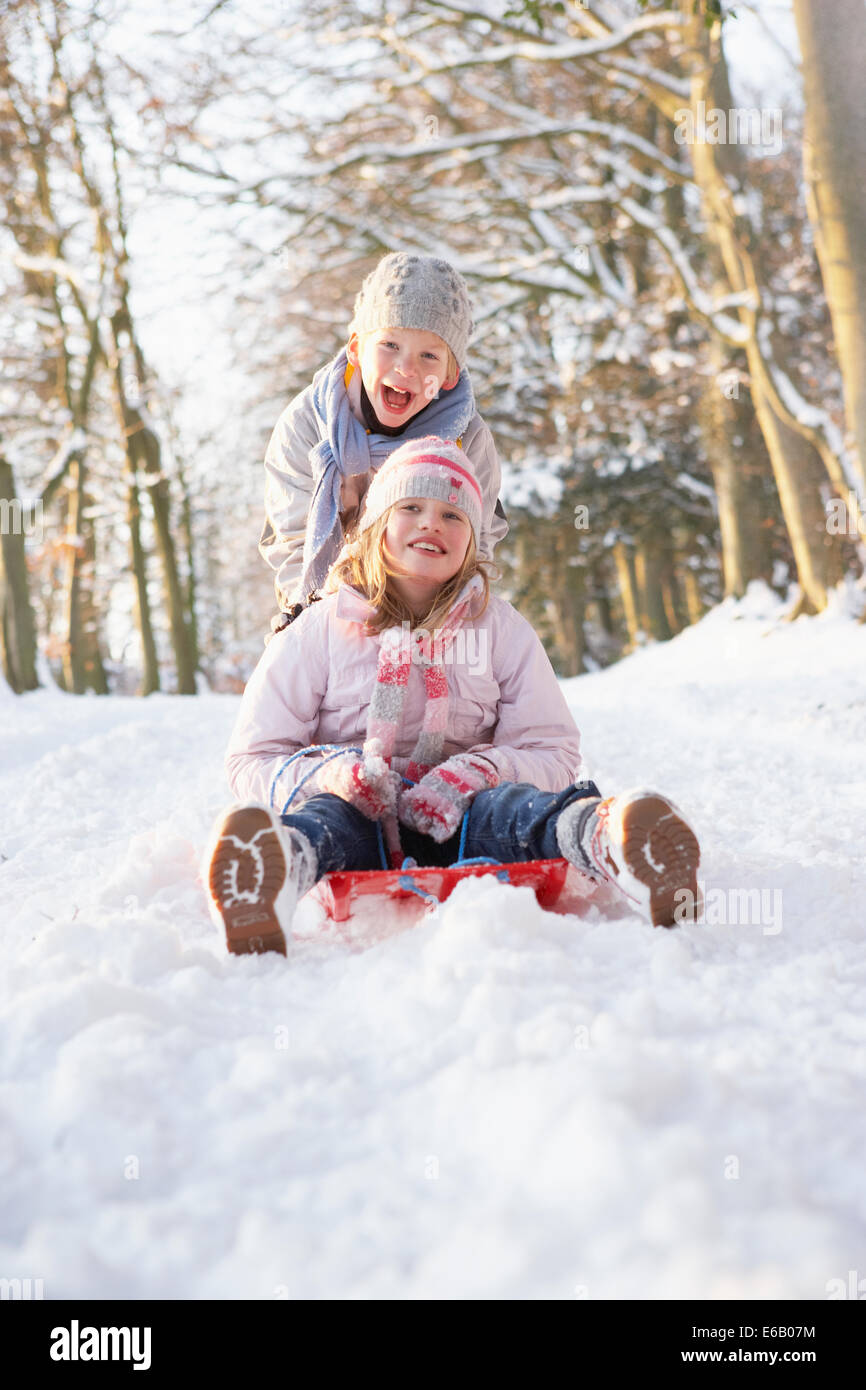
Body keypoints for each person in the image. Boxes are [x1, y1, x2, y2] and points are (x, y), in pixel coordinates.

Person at [203, 437, 701, 956]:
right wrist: (332, 775)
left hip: (467, 815)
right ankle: (274, 870)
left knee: (519, 810)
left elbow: (551, 748)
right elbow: (253, 757)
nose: (431, 523)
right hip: (359, 818)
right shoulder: (317, 633)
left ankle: (613, 840)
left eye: (453, 515)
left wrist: (481, 773)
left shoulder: (501, 631)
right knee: (327, 821)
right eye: (411, 507)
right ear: (374, 525)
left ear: (473, 540)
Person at [258, 252, 508, 631]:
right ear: (356, 349)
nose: (406, 368)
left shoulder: (467, 441)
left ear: (449, 375)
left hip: (431, 610)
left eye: (429, 355)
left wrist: (451, 616)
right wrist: (314, 616)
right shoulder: (308, 425)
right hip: (326, 604)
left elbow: (479, 538)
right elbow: (292, 539)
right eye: (389, 345)